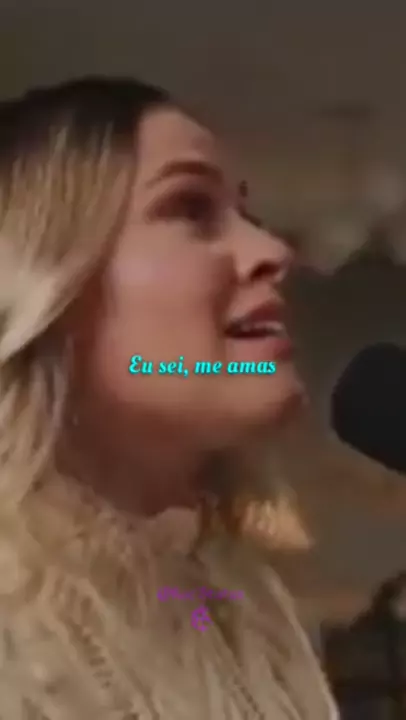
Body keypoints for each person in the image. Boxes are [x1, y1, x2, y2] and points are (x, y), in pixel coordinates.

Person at [0, 76, 337, 719]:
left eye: (249, 217)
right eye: (189, 208)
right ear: (43, 281)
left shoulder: (247, 604)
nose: (273, 250)